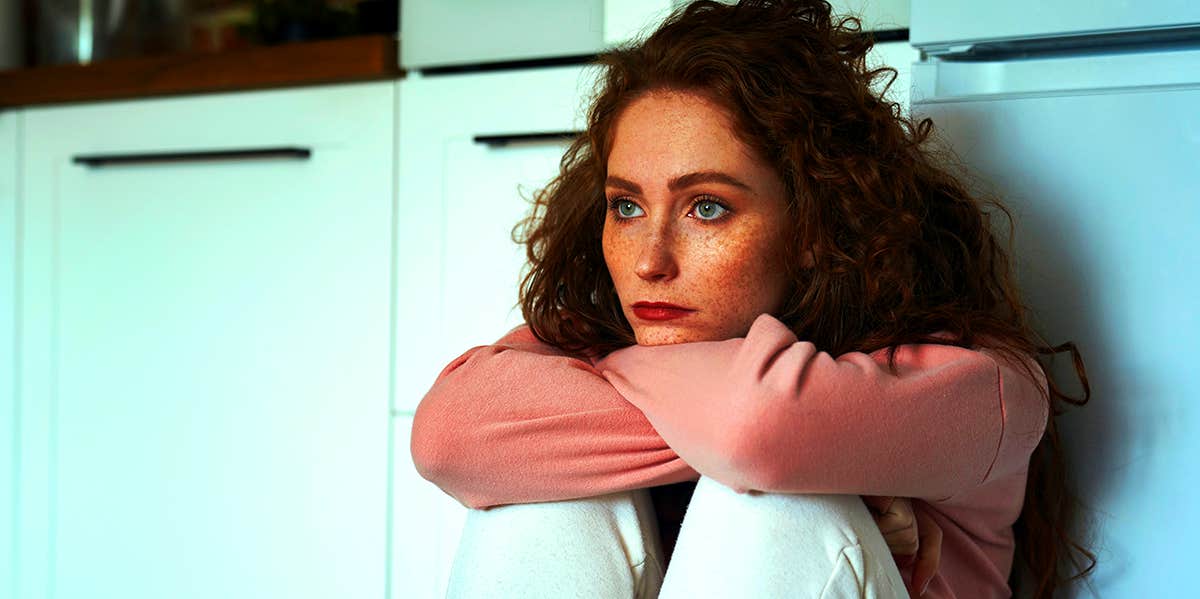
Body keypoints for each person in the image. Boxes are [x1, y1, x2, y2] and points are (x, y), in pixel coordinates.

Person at [411, 1, 1095, 597]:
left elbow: (755, 424)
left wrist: (582, 409)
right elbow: (447, 433)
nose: (650, 261)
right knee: (543, 505)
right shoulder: (620, 332)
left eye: (706, 208)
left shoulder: (982, 384)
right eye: (625, 206)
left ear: (812, 223)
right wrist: (811, 445)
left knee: (776, 504)